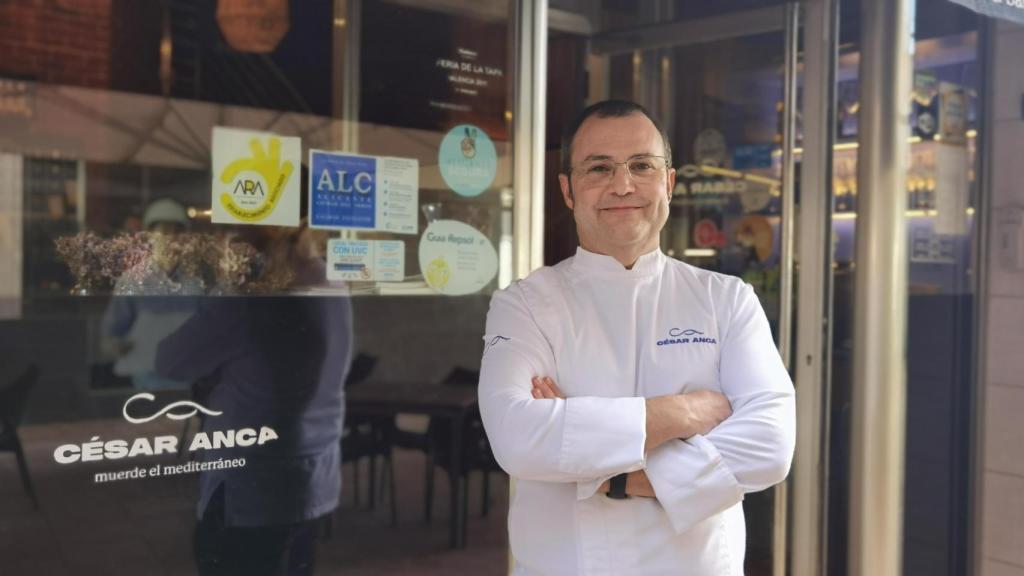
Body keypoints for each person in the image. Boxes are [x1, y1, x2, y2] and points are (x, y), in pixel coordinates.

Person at [478, 100, 795, 575]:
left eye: (642, 166)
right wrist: (680, 413)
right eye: (599, 167)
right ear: (567, 189)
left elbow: (770, 445)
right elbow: (517, 437)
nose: (622, 185)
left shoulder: (727, 299)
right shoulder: (523, 305)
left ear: (668, 182)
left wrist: (617, 477)